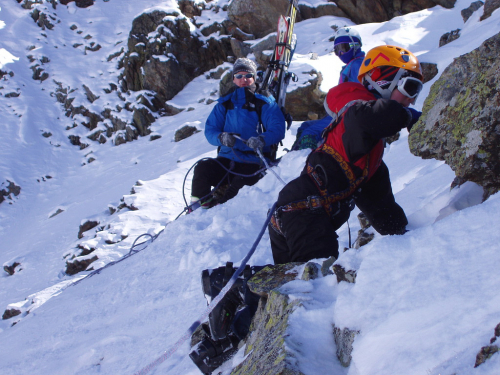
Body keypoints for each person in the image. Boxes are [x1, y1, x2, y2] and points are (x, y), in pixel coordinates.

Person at [268, 45, 424, 264]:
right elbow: (371, 117)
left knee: (292, 287)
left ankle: (235, 289)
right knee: (312, 285)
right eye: (410, 87)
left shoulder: (370, 159)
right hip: (302, 211)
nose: (412, 99)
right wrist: (407, 116)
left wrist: (402, 233)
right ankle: (233, 286)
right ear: (382, 81)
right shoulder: (355, 112)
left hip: (297, 211)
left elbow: (382, 208)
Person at [191, 58, 286, 208]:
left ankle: (219, 209)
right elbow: (210, 130)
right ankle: (199, 206)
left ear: (254, 78)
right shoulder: (225, 103)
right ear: (234, 79)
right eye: (239, 76)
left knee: (240, 183)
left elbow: (278, 128)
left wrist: (262, 140)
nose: (244, 80)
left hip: (254, 162)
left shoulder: (265, 102)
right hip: (227, 160)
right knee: (202, 168)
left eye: (248, 75)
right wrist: (221, 137)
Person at [291, 27, 366, 151]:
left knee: (309, 133)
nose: (340, 54)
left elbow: (362, 92)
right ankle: (291, 157)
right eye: (337, 50)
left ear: (355, 45)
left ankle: (304, 161)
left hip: (346, 113)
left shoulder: (359, 65)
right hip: (339, 111)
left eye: (343, 48)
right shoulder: (352, 65)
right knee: (305, 126)